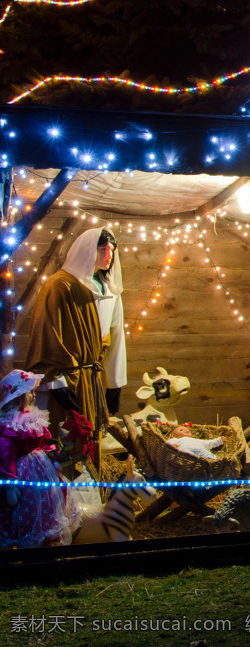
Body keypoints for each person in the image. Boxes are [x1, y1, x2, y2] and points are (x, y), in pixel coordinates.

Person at [25, 227, 128, 470]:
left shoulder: (109, 291)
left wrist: (114, 384)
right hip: (65, 381)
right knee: (61, 443)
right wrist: (56, 383)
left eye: (112, 250)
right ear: (86, 250)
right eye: (103, 248)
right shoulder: (59, 286)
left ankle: (89, 501)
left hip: (91, 380)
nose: (109, 255)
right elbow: (47, 336)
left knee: (89, 443)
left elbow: (114, 338)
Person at [1, 370, 82, 549]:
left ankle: (45, 541)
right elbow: (7, 453)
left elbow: (46, 440)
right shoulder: (10, 423)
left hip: (43, 468)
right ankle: (26, 541)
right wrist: (10, 484)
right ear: (19, 396)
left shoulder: (36, 417)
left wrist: (54, 453)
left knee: (48, 502)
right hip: (23, 472)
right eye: (30, 392)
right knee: (28, 506)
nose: (34, 395)